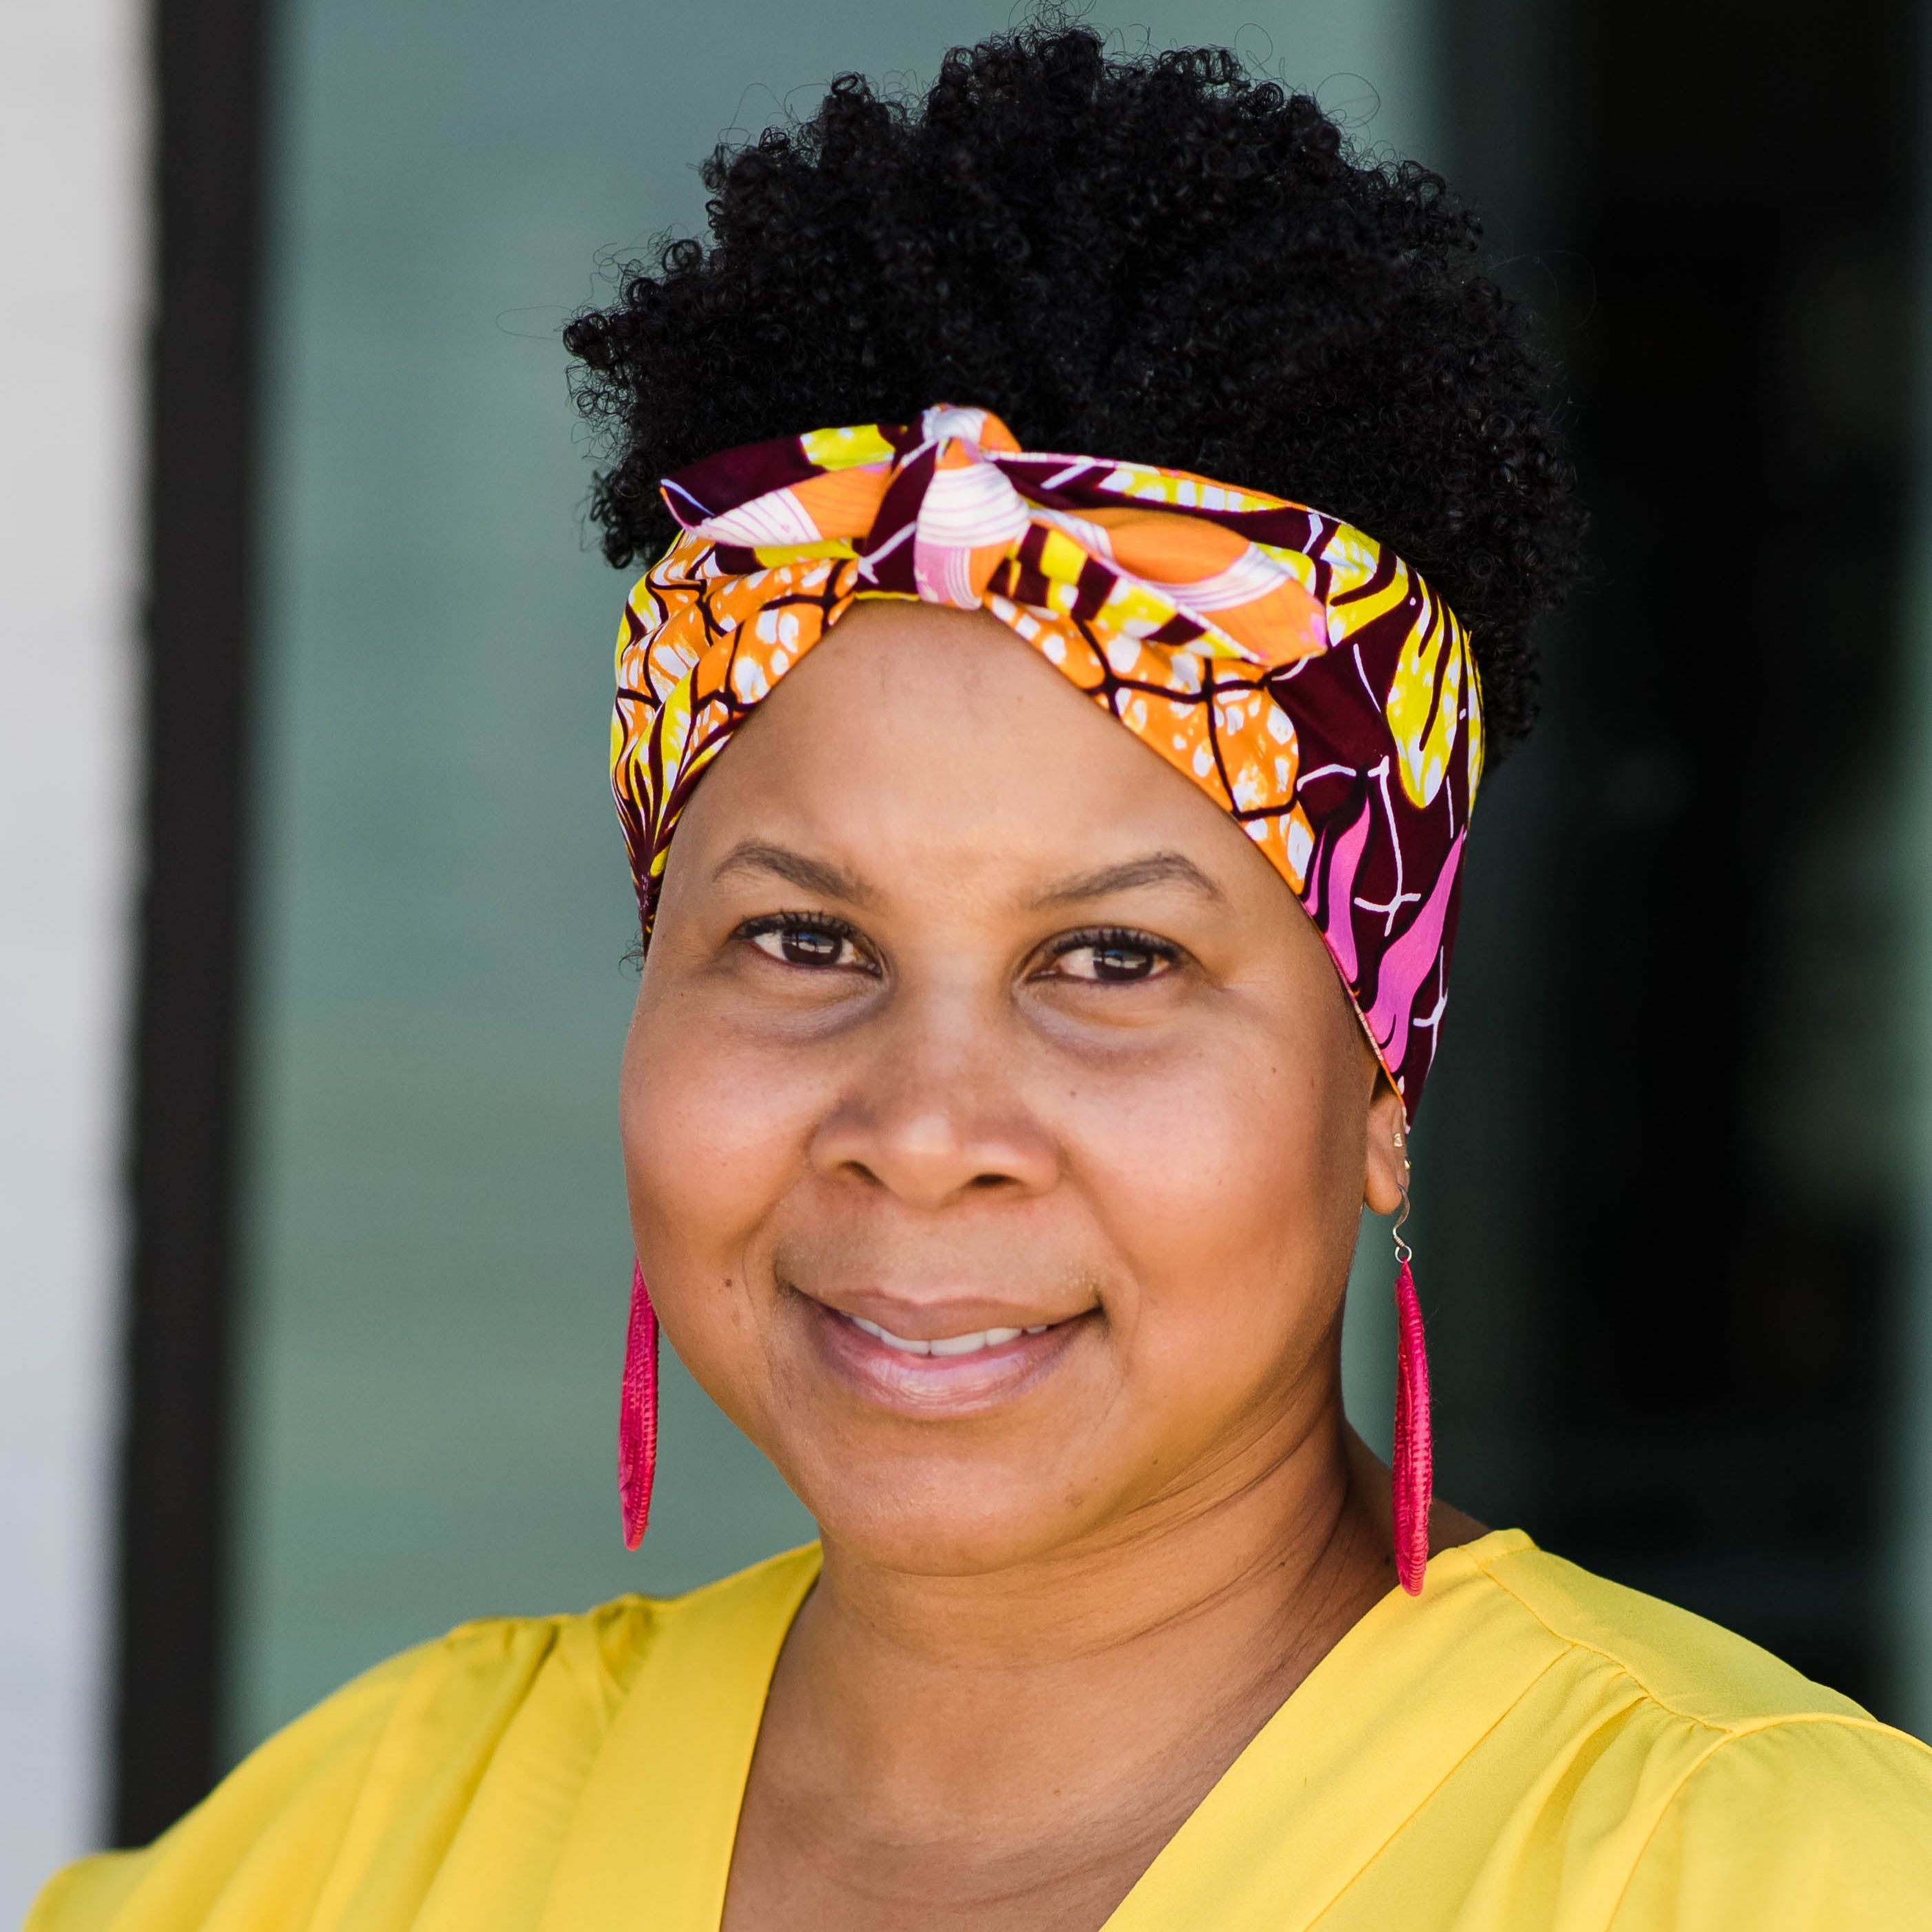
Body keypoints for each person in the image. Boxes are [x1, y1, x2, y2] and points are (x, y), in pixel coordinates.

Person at [32, 22, 1932, 1932]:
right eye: (801, 939)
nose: (925, 1133)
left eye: (1116, 956)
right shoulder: (372, 1849)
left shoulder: (1753, 1878)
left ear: (1386, 1078)